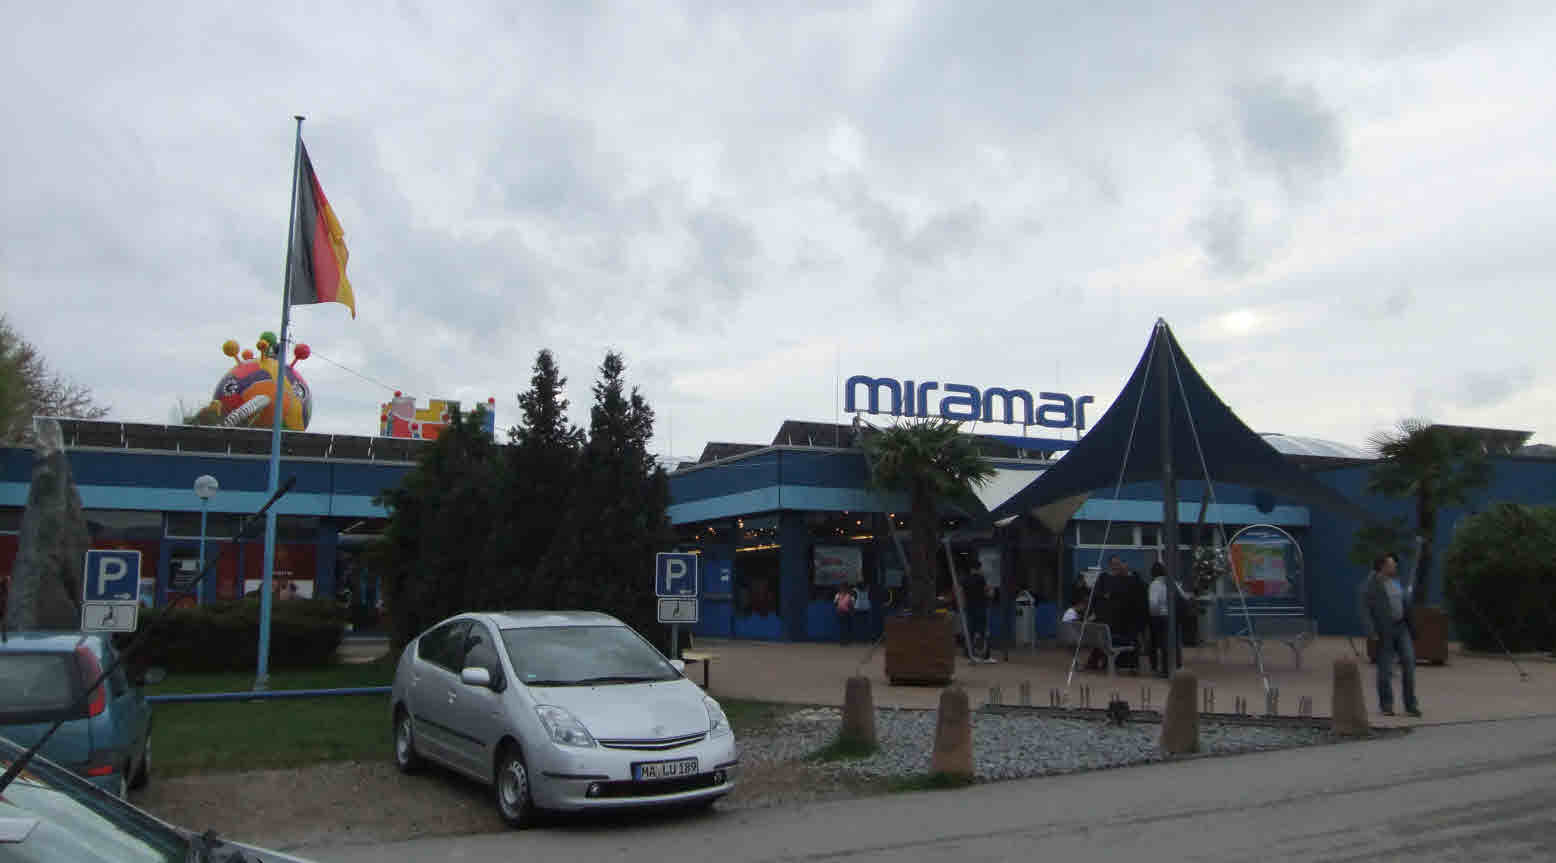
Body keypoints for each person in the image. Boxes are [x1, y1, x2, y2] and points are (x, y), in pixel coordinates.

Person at [1359, 552, 1421, 718]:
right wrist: (1371, 631)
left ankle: (1410, 705)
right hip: (1384, 631)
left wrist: (1412, 626)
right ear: (1383, 567)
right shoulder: (1370, 585)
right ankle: (1386, 705)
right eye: (1392, 565)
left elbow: (1404, 602)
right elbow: (1365, 610)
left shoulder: (1396, 581)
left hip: (1402, 628)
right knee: (1385, 669)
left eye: (1394, 564)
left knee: (1409, 662)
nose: (1395, 567)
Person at [1148, 562, 1191, 676]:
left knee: (1164, 644)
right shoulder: (1172, 582)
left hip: (1161, 618)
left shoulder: (1155, 584)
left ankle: (1166, 670)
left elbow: (1153, 603)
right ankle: (1177, 667)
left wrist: (1154, 614)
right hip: (1174, 617)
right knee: (1175, 643)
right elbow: (1185, 597)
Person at [962, 563, 990, 656]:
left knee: (970, 630)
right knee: (982, 630)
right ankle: (983, 652)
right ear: (978, 569)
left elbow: (961, 592)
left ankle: (968, 651)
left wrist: (963, 604)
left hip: (969, 607)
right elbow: (987, 591)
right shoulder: (981, 579)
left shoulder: (965, 579)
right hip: (980, 607)